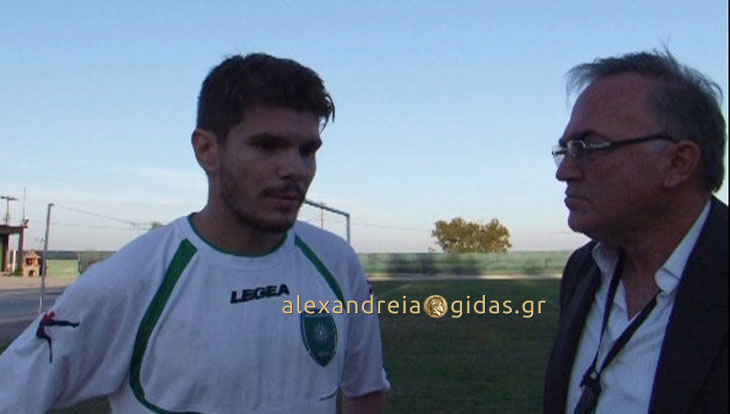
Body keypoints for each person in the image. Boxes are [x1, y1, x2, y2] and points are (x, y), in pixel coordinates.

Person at [0, 53, 389, 413]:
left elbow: (366, 389)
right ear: (206, 150)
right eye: (268, 146)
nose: (295, 169)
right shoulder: (129, 281)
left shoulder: (337, 263)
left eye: (307, 150)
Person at [543, 49, 728, 414]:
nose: (564, 172)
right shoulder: (583, 270)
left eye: (587, 147)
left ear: (677, 163)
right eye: (565, 150)